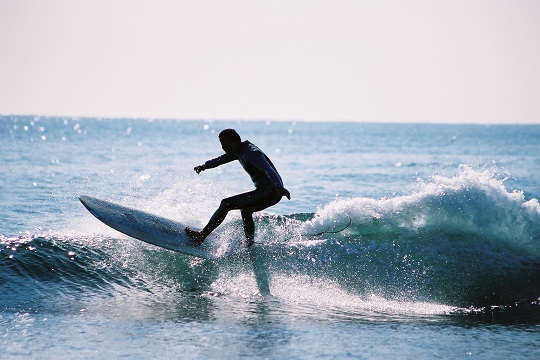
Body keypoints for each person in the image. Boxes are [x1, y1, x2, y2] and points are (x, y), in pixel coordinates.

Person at [185, 129, 291, 247]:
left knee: (226, 203)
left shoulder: (251, 153)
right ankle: (249, 242)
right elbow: (220, 160)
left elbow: (268, 169)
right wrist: (204, 166)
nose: (222, 148)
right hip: (269, 191)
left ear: (234, 142)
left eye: (224, 144)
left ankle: (201, 236)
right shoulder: (238, 151)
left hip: (271, 191)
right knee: (246, 210)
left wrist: (279, 187)